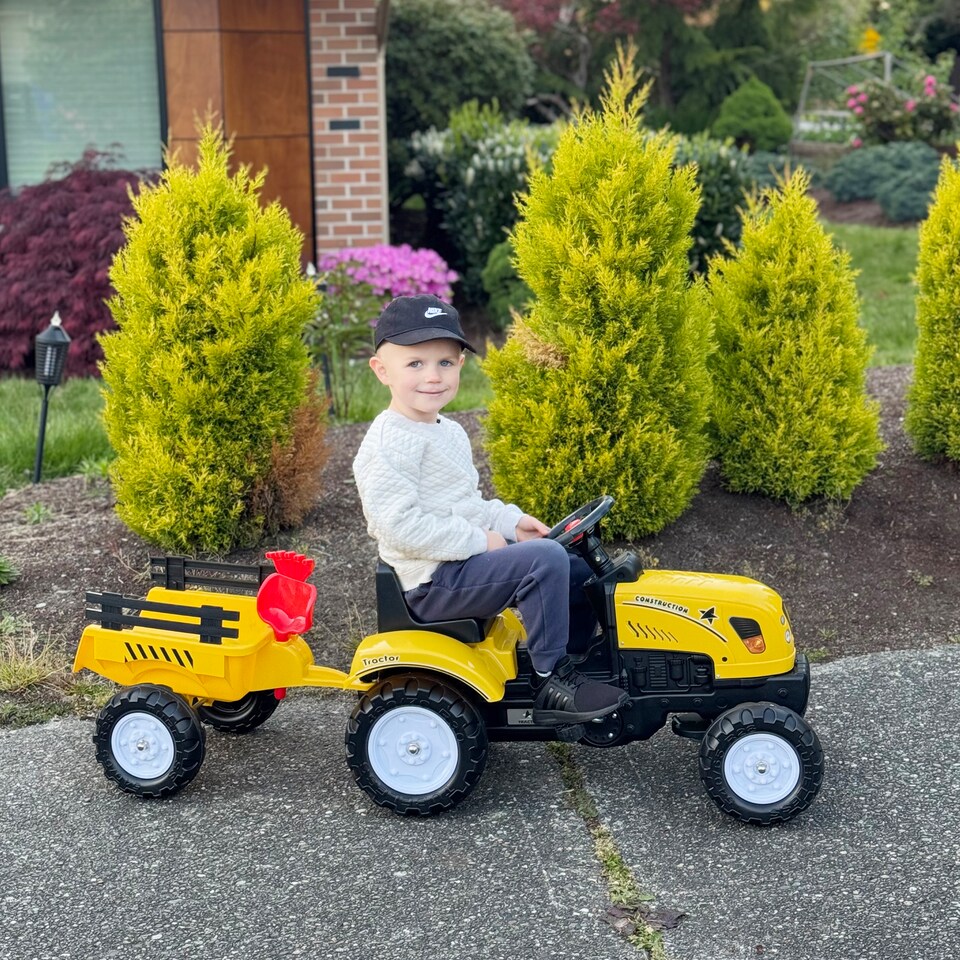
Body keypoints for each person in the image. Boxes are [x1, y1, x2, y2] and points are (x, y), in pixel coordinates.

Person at [352, 294, 629, 725]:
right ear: (381, 369)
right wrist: (480, 541)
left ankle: (577, 658)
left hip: (456, 568)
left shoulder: (448, 431)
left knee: (576, 565)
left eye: (445, 362)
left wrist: (510, 522)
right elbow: (397, 525)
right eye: (415, 364)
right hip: (430, 583)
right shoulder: (389, 442)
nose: (432, 376)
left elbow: (466, 503)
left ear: (461, 365)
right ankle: (550, 679)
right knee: (545, 562)